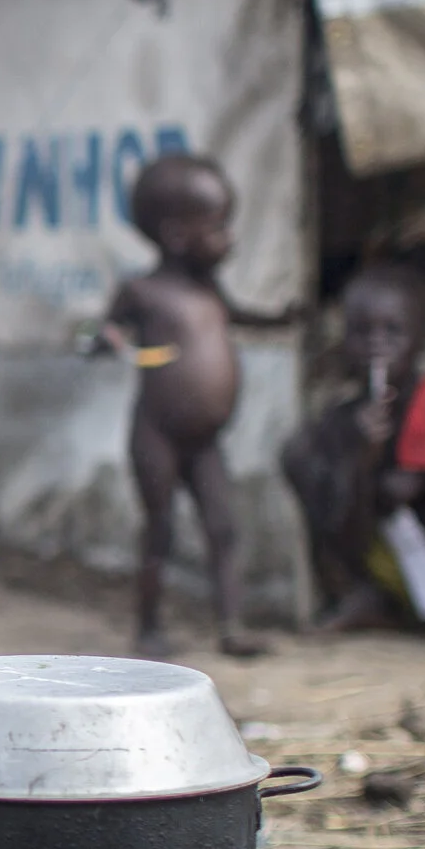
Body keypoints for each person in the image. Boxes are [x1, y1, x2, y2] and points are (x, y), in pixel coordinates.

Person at [95, 152, 272, 659]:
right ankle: (148, 628)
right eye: (218, 226)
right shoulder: (143, 292)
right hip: (159, 435)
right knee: (161, 530)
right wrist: (103, 340)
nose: (229, 238)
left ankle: (232, 626)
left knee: (223, 527)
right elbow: (102, 331)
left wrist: (280, 317)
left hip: (205, 439)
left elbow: (239, 316)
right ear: (175, 234)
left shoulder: (209, 288)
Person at [281, 263, 425, 636]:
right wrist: (362, 458)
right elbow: (343, 523)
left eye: (393, 330)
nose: (376, 343)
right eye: (361, 332)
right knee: (300, 452)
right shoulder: (339, 421)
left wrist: (422, 477)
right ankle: (363, 597)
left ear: (423, 340)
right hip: (383, 558)